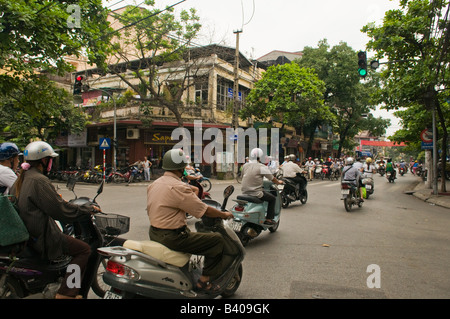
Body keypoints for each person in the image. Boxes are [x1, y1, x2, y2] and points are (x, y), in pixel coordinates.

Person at [10, 141, 101, 299]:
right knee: (83, 250)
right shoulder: (39, 180)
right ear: (44, 161)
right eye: (50, 159)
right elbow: (60, 211)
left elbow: (53, 203)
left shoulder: (22, 179)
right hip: (41, 236)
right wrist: (87, 210)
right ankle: (66, 293)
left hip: (28, 233)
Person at [147, 149, 233, 293]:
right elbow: (204, 210)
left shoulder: (154, 184)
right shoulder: (179, 187)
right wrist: (224, 215)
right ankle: (204, 282)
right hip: (173, 237)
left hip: (154, 233)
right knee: (217, 240)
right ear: (181, 168)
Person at [241, 148, 284, 225]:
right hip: (256, 193)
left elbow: (243, 176)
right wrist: (278, 182)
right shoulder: (262, 167)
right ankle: (269, 219)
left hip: (244, 192)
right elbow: (272, 178)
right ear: (260, 157)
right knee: (272, 199)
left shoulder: (245, 165)